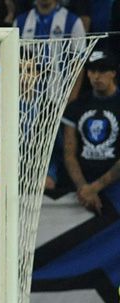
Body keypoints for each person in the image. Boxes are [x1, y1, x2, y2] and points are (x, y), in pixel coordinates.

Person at [62, 49, 120, 214]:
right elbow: (69, 152)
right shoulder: (77, 106)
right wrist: (84, 188)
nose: (96, 76)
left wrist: (96, 187)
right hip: (81, 187)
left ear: (113, 73)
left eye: (102, 71)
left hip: (116, 186)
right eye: (92, 71)